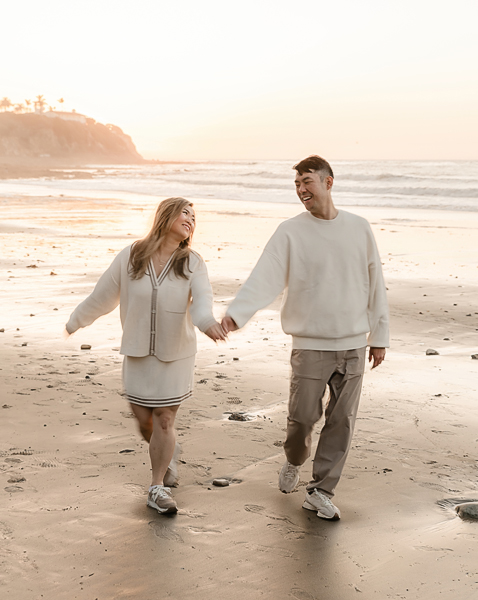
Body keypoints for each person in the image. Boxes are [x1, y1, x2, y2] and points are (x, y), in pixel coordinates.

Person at [222, 156, 389, 521]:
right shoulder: (290, 232)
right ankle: (294, 459)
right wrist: (237, 314)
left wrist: (379, 336)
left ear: (329, 182)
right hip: (311, 344)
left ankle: (321, 491)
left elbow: (376, 283)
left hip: (353, 344)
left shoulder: (359, 228)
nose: (301, 190)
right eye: (297, 184)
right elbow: (265, 277)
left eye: (308, 182)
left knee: (341, 422)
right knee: (301, 421)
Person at [66, 197, 226, 515]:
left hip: (176, 355)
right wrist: (77, 319)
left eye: (195, 217)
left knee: (165, 419)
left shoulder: (193, 261)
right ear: (165, 215)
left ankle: (157, 487)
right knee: (146, 423)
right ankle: (168, 451)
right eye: (185, 213)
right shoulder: (132, 256)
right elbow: (104, 294)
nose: (191, 220)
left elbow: (203, 300)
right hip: (138, 353)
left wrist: (208, 322)